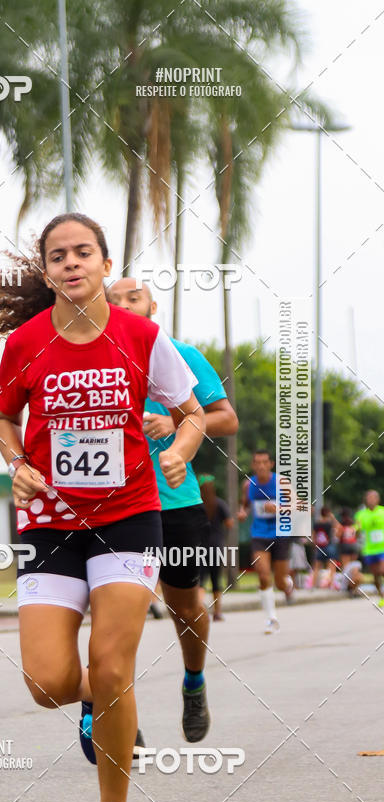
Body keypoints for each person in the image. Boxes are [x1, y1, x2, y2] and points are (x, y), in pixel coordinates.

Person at [0, 213, 205, 802]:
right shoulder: (27, 344)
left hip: (127, 515)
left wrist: (179, 449)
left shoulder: (143, 336)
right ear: (46, 272)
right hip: (50, 520)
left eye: (83, 253)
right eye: (59, 256)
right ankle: (96, 696)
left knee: (114, 662)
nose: (71, 263)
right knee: (46, 683)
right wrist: (17, 463)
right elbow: (4, 417)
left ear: (104, 264)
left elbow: (193, 412)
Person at [106, 278, 238, 743]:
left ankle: (194, 681)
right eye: (113, 300)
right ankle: (116, 711)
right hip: (114, 505)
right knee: (119, 610)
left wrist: (175, 419)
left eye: (132, 297)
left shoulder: (179, 353)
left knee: (185, 606)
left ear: (152, 305)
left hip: (174, 504)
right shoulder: (94, 355)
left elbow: (225, 417)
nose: (123, 305)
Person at [238, 450, 294, 633]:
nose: (261, 466)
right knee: (262, 575)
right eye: (257, 462)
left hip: (281, 534)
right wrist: (243, 512)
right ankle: (271, 619)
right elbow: (246, 503)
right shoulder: (248, 485)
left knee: (279, 582)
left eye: (264, 462)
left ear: (271, 464)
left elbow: (302, 506)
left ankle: (288, 585)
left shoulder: (281, 483)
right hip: (259, 534)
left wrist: (278, 508)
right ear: (253, 465)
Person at [198, 475, 233, 621]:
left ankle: (198, 611)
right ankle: (217, 613)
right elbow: (230, 523)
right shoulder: (219, 503)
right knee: (216, 580)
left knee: (200, 580)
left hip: (199, 547)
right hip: (216, 547)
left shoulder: (196, 505)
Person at [355, 490, 384, 601]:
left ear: (378, 499)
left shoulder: (382, 511)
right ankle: (381, 596)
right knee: (375, 575)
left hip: (382, 548)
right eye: (369, 498)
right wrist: (356, 530)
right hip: (369, 549)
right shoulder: (361, 514)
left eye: (373, 498)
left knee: (382, 570)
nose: (371, 500)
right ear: (366, 500)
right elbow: (357, 531)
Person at [308, 505, 340, 590]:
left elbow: (313, 536)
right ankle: (331, 584)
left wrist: (314, 545)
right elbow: (339, 527)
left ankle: (313, 585)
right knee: (332, 565)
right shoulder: (330, 523)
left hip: (319, 546)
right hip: (329, 545)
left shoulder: (317, 523)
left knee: (317, 566)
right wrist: (333, 517)